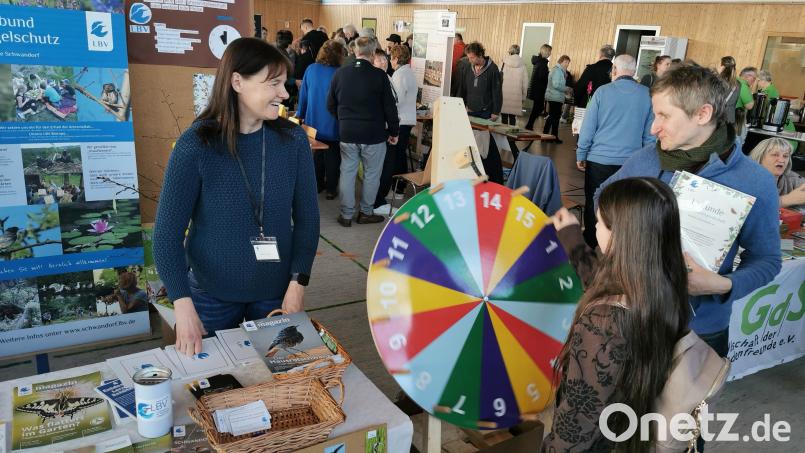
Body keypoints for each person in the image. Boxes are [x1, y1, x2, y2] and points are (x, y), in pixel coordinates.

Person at [597, 64, 781, 357]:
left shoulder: (754, 181)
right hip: (631, 316)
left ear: (703, 114)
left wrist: (722, 284)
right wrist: (613, 235)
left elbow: (767, 259)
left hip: (700, 333)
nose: (653, 127)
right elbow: (601, 197)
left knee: (685, 406)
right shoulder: (646, 160)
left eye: (664, 116)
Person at [153, 38, 319, 356]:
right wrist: (182, 304)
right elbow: (165, 236)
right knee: (215, 387)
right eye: (273, 83)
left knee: (280, 383)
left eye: (284, 83)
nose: (284, 94)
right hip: (210, 295)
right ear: (237, 81)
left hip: (277, 293)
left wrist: (299, 283)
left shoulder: (293, 139)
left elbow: (309, 218)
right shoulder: (196, 145)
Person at [543, 177, 690, 452]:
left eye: (598, 223)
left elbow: (577, 423)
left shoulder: (603, 322)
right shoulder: (665, 282)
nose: (595, 228)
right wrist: (572, 238)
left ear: (621, 235)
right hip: (634, 432)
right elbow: (608, 286)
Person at [577, 54, 654, 248]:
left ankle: (592, 241)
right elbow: (650, 136)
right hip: (631, 163)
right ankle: (618, 245)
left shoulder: (602, 92)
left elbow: (588, 128)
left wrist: (581, 153)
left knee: (594, 201)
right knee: (624, 205)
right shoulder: (647, 95)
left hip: (599, 161)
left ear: (614, 70)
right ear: (634, 72)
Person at [327, 37, 399, 227]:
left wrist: (344, 120)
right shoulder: (379, 76)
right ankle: (366, 212)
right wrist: (394, 131)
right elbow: (390, 108)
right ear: (374, 53)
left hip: (347, 133)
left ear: (354, 51)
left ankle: (346, 215)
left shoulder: (340, 74)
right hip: (373, 134)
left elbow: (330, 105)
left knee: (348, 172)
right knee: (371, 174)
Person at [298, 40, 345, 200]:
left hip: (313, 120)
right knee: (333, 154)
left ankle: (318, 184)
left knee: (318, 153)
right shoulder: (341, 72)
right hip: (333, 120)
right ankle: (331, 189)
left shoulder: (311, 69)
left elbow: (303, 94)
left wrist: (300, 113)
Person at [374, 45, 416, 215]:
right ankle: (397, 190)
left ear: (397, 59)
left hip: (401, 121)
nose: (388, 61)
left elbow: (394, 100)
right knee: (398, 156)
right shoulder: (406, 72)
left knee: (396, 158)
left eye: (389, 58)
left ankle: (397, 190)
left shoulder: (399, 74)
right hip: (404, 119)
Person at [456, 41, 504, 183]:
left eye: (472, 57)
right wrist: (461, 104)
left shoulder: (493, 69)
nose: (469, 60)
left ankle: (485, 174)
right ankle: (469, 172)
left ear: (480, 55)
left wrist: (496, 111)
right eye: (468, 57)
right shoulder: (467, 67)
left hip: (485, 112)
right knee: (469, 144)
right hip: (470, 111)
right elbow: (463, 87)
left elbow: (497, 91)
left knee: (483, 146)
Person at [749, 138, 805, 209]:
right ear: (760, 157)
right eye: (775, 155)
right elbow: (747, 208)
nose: (781, 160)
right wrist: (787, 200)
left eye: (785, 156)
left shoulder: (792, 179)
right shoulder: (746, 179)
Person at [573, 44, 615, 109]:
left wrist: (577, 102)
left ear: (600, 55)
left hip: (590, 105)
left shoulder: (592, 68)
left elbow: (581, 86)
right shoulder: (615, 71)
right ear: (612, 57)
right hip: (608, 107)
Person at [524, 43, 552, 131]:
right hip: (538, 89)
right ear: (546, 52)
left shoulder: (538, 61)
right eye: (549, 51)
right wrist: (548, 75)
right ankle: (529, 125)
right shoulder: (542, 63)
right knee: (538, 108)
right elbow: (541, 77)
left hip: (536, 88)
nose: (550, 53)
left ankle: (529, 125)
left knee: (537, 108)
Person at [543, 55, 570, 143]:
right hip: (554, 96)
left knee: (553, 117)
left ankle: (549, 136)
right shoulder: (558, 71)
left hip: (555, 96)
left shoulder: (560, 71)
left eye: (568, 62)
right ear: (561, 61)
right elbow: (556, 85)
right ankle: (549, 136)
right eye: (566, 62)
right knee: (554, 117)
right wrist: (566, 88)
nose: (567, 64)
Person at [500, 44, 528, 126]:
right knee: (513, 118)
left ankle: (503, 136)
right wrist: (524, 96)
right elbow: (525, 83)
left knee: (504, 117)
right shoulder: (523, 65)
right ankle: (511, 136)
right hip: (516, 95)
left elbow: (498, 78)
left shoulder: (503, 63)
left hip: (504, 93)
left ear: (510, 51)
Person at [294, 19, 328, 87]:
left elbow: (304, 57)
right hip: (325, 67)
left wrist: (297, 75)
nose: (303, 32)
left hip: (311, 69)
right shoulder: (324, 35)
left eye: (303, 30)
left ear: (305, 27)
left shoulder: (305, 38)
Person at [275, 30, 297, 104]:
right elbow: (279, 74)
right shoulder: (279, 52)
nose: (289, 44)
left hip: (285, 85)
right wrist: (294, 81)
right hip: (283, 86)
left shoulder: (281, 49)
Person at [718, 56, 740, 126]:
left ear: (723, 67)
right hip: (730, 119)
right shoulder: (738, 84)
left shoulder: (717, 81)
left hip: (718, 118)